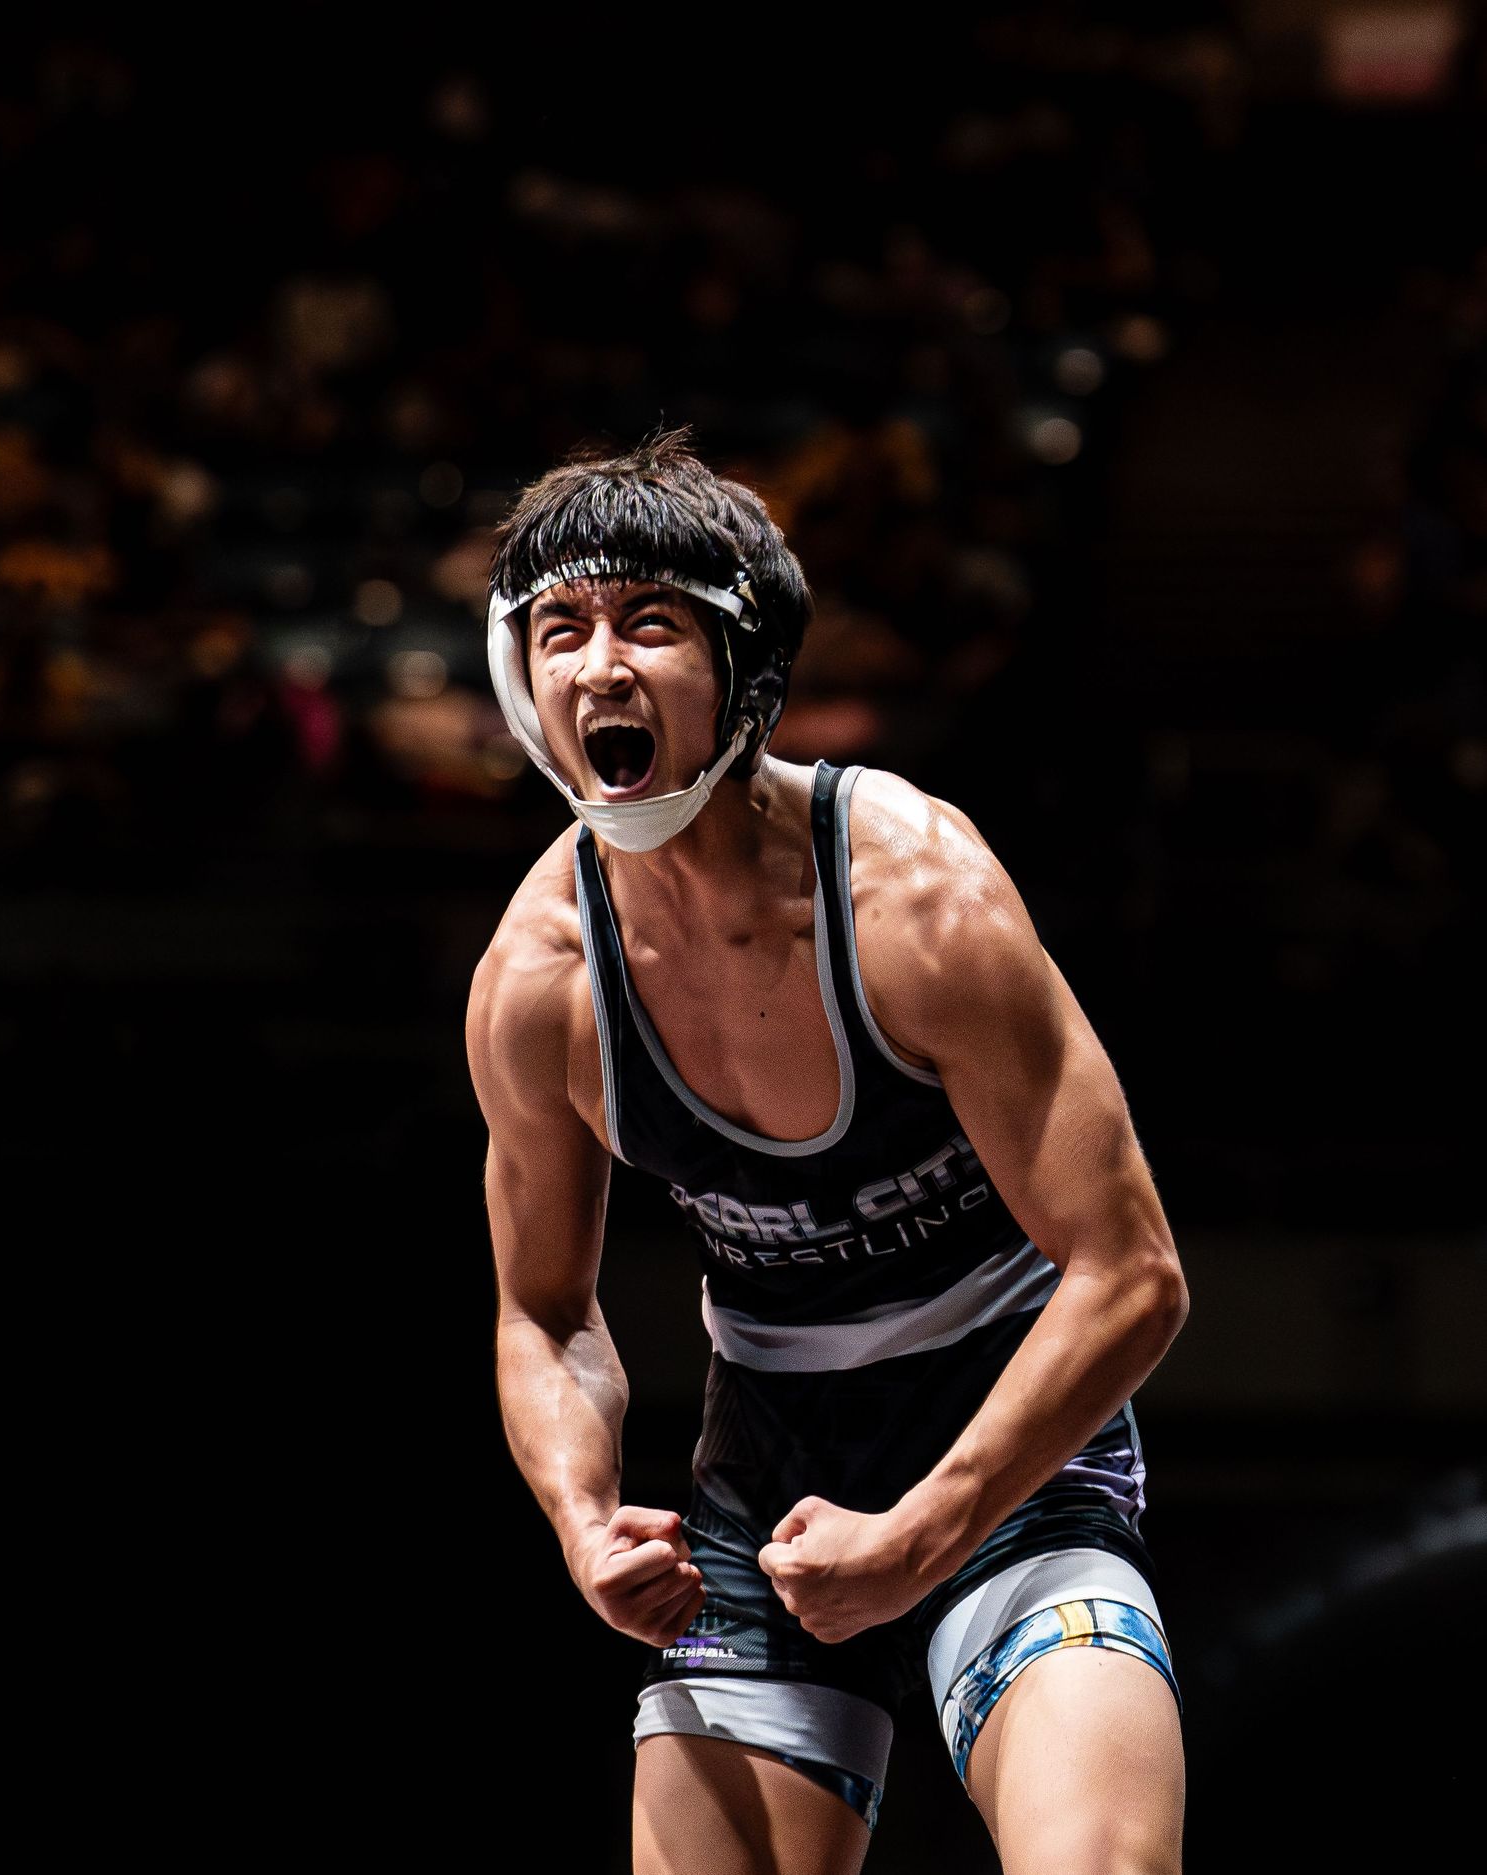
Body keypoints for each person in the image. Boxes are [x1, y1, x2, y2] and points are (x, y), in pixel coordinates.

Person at [466, 431, 1189, 1874]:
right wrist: (582, 1519)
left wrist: (924, 1530)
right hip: (768, 1471)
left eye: (649, 623)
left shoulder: (918, 896)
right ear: (519, 680)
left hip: (1010, 1450)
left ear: (748, 670)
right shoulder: (540, 979)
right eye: (562, 631)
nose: (599, 666)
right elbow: (543, 1313)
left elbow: (1132, 1273)